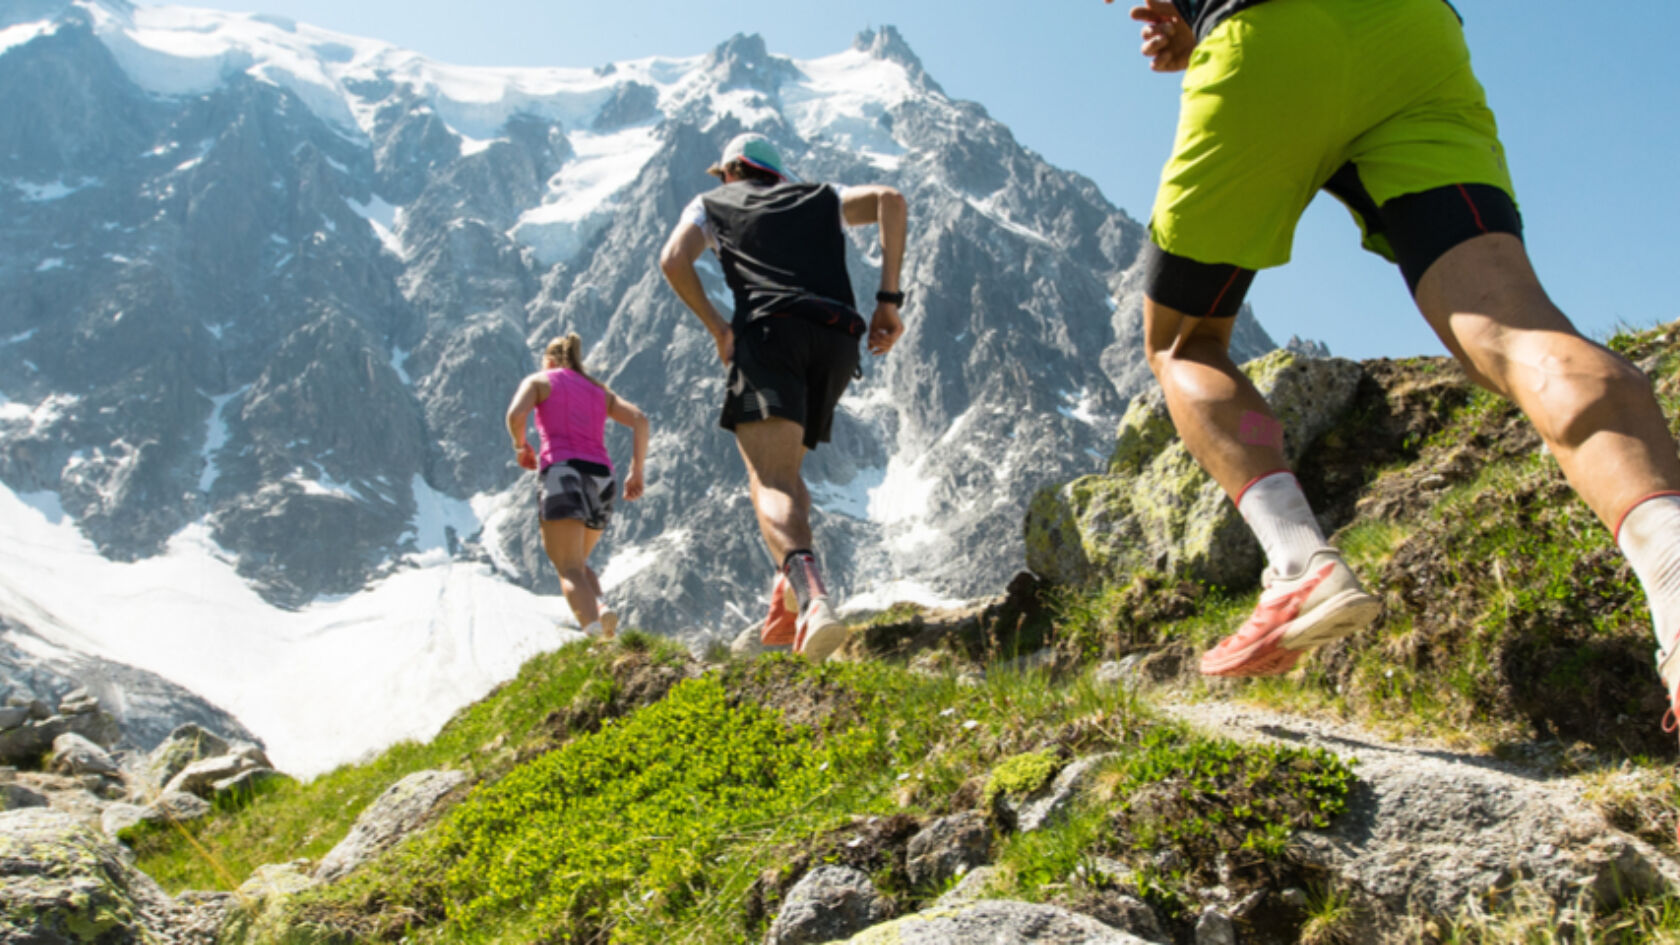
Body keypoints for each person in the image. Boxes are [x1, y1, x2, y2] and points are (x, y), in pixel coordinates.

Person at [1119, 0, 1680, 709]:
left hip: (1268, 35)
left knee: (1185, 340)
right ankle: (1672, 567)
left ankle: (1300, 562)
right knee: (1511, 329)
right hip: (1414, 39)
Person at [658, 132, 908, 663]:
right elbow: (891, 200)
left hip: (771, 334)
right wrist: (888, 301)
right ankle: (787, 604)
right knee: (787, 471)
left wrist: (718, 329)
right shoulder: (819, 196)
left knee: (767, 478)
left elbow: (673, 261)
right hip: (839, 338)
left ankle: (814, 599)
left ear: (731, 171)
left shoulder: (710, 203)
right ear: (777, 173)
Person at [506, 333, 649, 639]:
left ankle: (594, 634)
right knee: (579, 564)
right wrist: (636, 471)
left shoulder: (539, 381)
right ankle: (600, 609)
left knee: (568, 567)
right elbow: (640, 419)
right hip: (602, 477)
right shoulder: (600, 392)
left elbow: (516, 415)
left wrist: (520, 447)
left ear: (550, 360)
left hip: (563, 471)